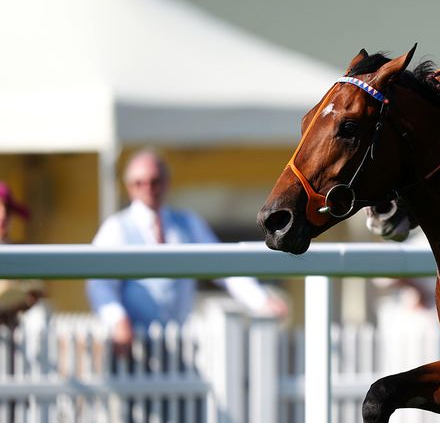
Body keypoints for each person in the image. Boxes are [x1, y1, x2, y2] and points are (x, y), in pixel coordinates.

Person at [86, 149, 288, 352]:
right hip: (131, 347)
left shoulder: (188, 223)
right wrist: (117, 320)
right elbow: (99, 284)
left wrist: (261, 300)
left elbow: (223, 266)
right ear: (130, 188)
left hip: (179, 345)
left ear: (166, 183)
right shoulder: (116, 228)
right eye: (139, 183)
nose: (148, 188)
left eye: (154, 181)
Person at [0, 182, 43, 327]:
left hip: (12, 334)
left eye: (7, 208)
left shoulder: (22, 252)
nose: (3, 215)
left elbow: (35, 291)